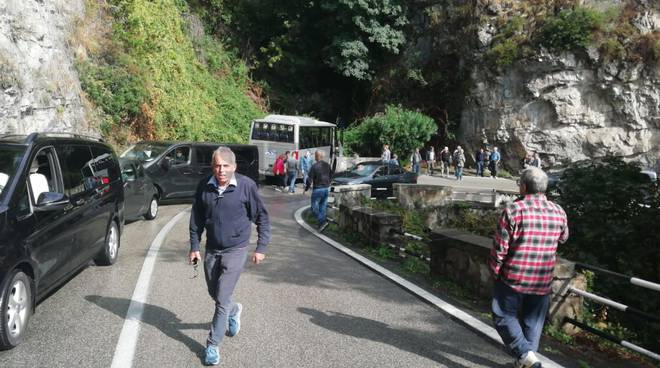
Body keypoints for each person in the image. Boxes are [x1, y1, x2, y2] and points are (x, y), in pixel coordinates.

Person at [188, 146, 271, 366]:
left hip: (236, 249)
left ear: (234, 167)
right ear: (212, 167)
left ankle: (212, 345)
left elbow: (262, 217)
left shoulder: (246, 186)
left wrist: (261, 247)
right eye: (217, 165)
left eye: (225, 166)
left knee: (222, 298)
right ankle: (235, 310)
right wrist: (194, 246)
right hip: (212, 249)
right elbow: (196, 218)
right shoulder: (204, 186)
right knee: (214, 292)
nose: (221, 170)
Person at [490, 167, 568, 368]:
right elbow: (564, 237)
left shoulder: (514, 210)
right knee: (532, 322)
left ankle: (525, 355)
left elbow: (500, 248)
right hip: (542, 279)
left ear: (524, 187)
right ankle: (525, 361)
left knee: (502, 316)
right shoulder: (559, 211)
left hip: (514, 278)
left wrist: (496, 271)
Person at [305, 150, 332, 232]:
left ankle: (322, 222)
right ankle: (321, 225)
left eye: (315, 155)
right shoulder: (327, 165)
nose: (314, 157)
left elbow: (309, 179)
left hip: (318, 189)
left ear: (317, 156)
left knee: (313, 208)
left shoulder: (314, 166)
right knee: (322, 207)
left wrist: (306, 188)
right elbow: (331, 175)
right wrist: (328, 184)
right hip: (326, 189)